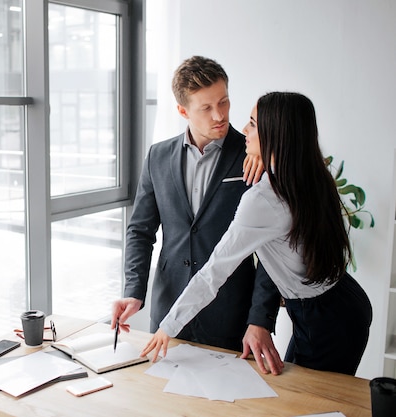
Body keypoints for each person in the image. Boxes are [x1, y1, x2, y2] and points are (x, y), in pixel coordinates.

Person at [141, 91, 373, 375]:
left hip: (325, 319)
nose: (244, 130)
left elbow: (214, 271)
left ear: (276, 134)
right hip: (342, 302)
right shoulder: (306, 175)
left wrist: (168, 326)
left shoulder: (264, 198)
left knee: (314, 405)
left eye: (252, 124)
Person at [111, 56, 283, 375]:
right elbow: (140, 231)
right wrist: (134, 290)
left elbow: (270, 248)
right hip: (168, 307)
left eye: (224, 102)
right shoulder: (157, 156)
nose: (219, 115)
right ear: (182, 111)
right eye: (206, 108)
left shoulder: (253, 154)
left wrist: (260, 318)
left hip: (229, 312)